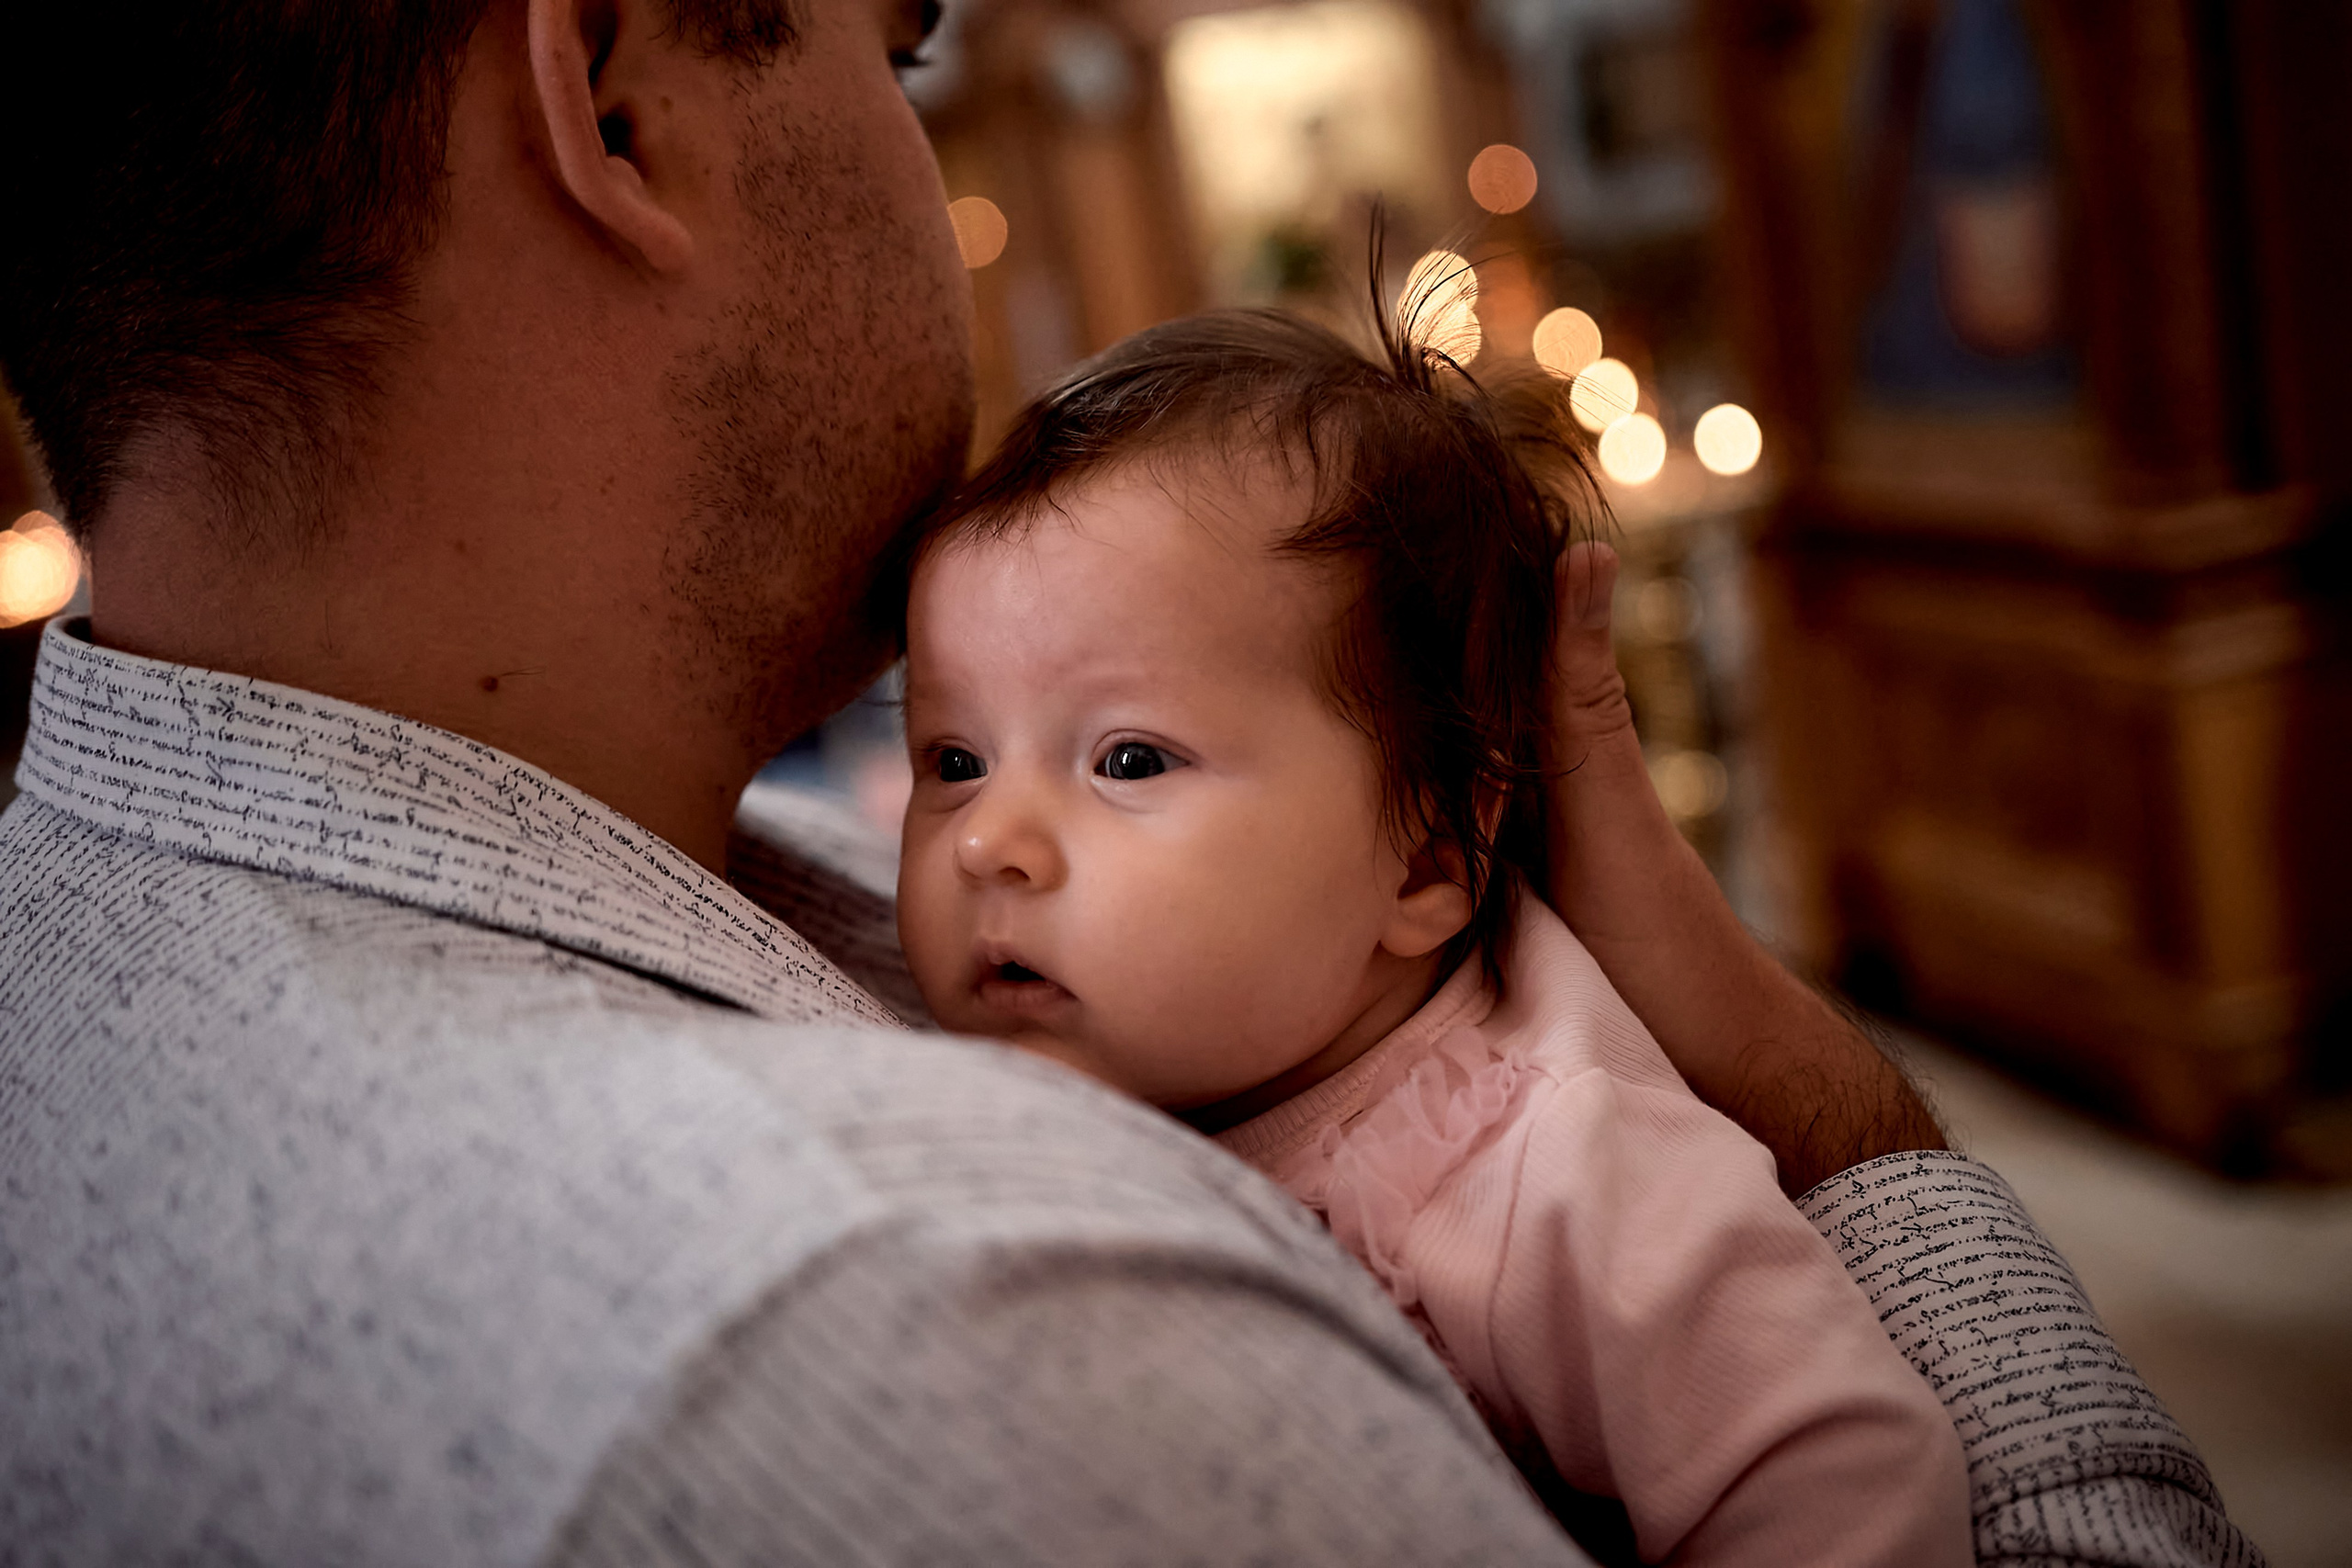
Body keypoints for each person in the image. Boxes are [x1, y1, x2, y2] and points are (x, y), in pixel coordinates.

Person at [0, 3, 2259, 1564]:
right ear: (604, 88)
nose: (990, 833)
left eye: (1124, 754)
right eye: (893, 45)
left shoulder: (100, 970)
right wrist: (1849, 1133)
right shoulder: (929, 1323)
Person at [895, 309, 1973, 1566]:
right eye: (954, 761)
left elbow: (1844, 1470)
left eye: (1127, 758)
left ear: (1424, 863)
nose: (987, 844)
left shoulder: (1549, 1163)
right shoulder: (1097, 1053)